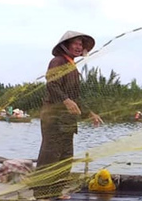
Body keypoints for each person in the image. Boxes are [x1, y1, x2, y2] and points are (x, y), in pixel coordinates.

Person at [36, 31, 103, 175]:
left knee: (66, 156)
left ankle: (57, 191)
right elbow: (52, 85)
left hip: (67, 119)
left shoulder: (72, 66)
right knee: (51, 154)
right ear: (66, 45)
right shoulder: (58, 61)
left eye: (81, 44)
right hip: (54, 117)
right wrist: (65, 101)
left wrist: (89, 113)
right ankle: (42, 193)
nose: (79, 47)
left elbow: (75, 98)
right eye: (76, 43)